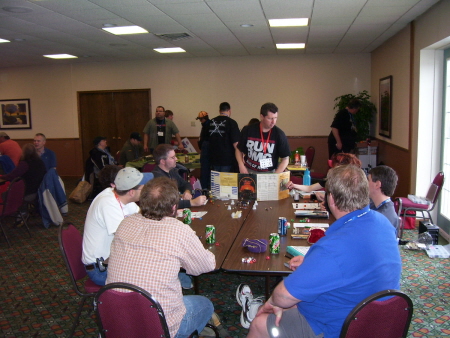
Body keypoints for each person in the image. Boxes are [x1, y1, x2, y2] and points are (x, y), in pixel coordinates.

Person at [238, 165, 401, 337]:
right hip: (380, 321)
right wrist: (312, 264)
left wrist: (271, 303)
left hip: (344, 327)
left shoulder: (332, 247)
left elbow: (282, 296)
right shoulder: (383, 223)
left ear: (331, 199)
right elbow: (355, 264)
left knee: (260, 322)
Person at [106, 176, 216, 338]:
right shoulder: (178, 229)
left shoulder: (125, 223)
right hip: (158, 327)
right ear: (173, 208)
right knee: (205, 304)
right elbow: (205, 266)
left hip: (116, 318)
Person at [81, 167, 153, 286]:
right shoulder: (107, 203)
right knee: (151, 276)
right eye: (143, 187)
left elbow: (144, 217)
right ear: (131, 192)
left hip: (113, 260)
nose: (146, 190)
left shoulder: (120, 196)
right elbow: (126, 239)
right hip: (100, 269)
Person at [236, 103, 290, 174]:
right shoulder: (248, 130)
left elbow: (285, 159)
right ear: (262, 117)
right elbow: (238, 149)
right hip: (249, 171)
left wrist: (275, 175)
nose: (273, 122)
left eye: (275, 118)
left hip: (269, 172)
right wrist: (241, 165)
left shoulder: (279, 134)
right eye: (270, 118)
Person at [0, 143, 47, 224]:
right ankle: (22, 211)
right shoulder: (40, 162)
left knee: (4, 195)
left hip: (28, 192)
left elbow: (12, 176)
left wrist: (1, 176)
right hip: (38, 190)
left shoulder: (25, 164)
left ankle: (21, 212)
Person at [152, 144, 207, 208]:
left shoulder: (172, 171)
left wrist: (187, 192)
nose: (176, 159)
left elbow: (185, 184)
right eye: (172, 157)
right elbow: (167, 203)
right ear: (163, 161)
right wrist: (192, 202)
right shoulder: (157, 177)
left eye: (175, 156)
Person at [287, 153, 362, 194]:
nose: (332, 169)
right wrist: (294, 185)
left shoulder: (353, 185)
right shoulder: (331, 179)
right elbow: (309, 188)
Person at [208, 102, 240, 172]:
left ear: (219, 111)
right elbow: (236, 143)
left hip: (213, 157)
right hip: (227, 159)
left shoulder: (211, 122)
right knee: (225, 181)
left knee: (216, 181)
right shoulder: (232, 123)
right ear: (229, 110)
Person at [368, 165, 399, 229]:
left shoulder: (381, 217)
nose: (364, 184)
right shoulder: (381, 206)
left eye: (368, 180)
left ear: (377, 185)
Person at [197, 111, 211, 189]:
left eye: (200, 119)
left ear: (204, 118)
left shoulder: (207, 126)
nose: (200, 121)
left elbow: (204, 140)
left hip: (206, 152)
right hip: (206, 150)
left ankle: (205, 188)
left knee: (205, 171)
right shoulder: (206, 125)